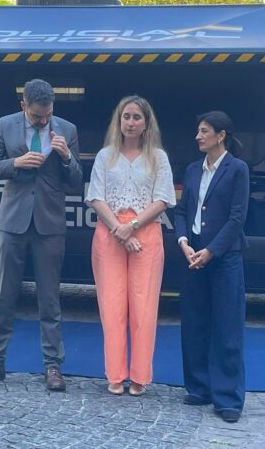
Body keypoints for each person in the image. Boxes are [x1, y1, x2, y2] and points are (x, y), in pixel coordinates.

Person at [0, 79, 83, 391]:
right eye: (37, 116)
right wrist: (15, 163)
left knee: (50, 298)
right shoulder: (5, 125)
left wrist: (66, 157)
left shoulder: (67, 129)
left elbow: (76, 180)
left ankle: (53, 366)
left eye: (48, 114)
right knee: (5, 295)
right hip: (12, 221)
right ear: (23, 106)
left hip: (50, 223)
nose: (44, 120)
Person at [86, 96, 174, 396]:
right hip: (109, 232)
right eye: (126, 117)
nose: (131, 122)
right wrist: (119, 230)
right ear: (119, 120)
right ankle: (115, 373)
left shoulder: (158, 158)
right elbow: (96, 197)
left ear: (146, 123)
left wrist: (132, 227)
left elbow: (162, 199)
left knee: (143, 308)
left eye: (137, 117)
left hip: (146, 233)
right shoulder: (105, 156)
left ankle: (139, 375)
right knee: (112, 306)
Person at [173, 111, 250, 423]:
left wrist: (211, 251)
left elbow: (237, 217)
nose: (198, 136)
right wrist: (183, 242)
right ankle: (198, 386)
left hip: (224, 258)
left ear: (221, 136)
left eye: (204, 131)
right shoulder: (193, 169)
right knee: (194, 322)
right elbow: (181, 210)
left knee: (227, 325)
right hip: (193, 255)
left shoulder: (238, 169)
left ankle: (228, 397)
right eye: (198, 131)